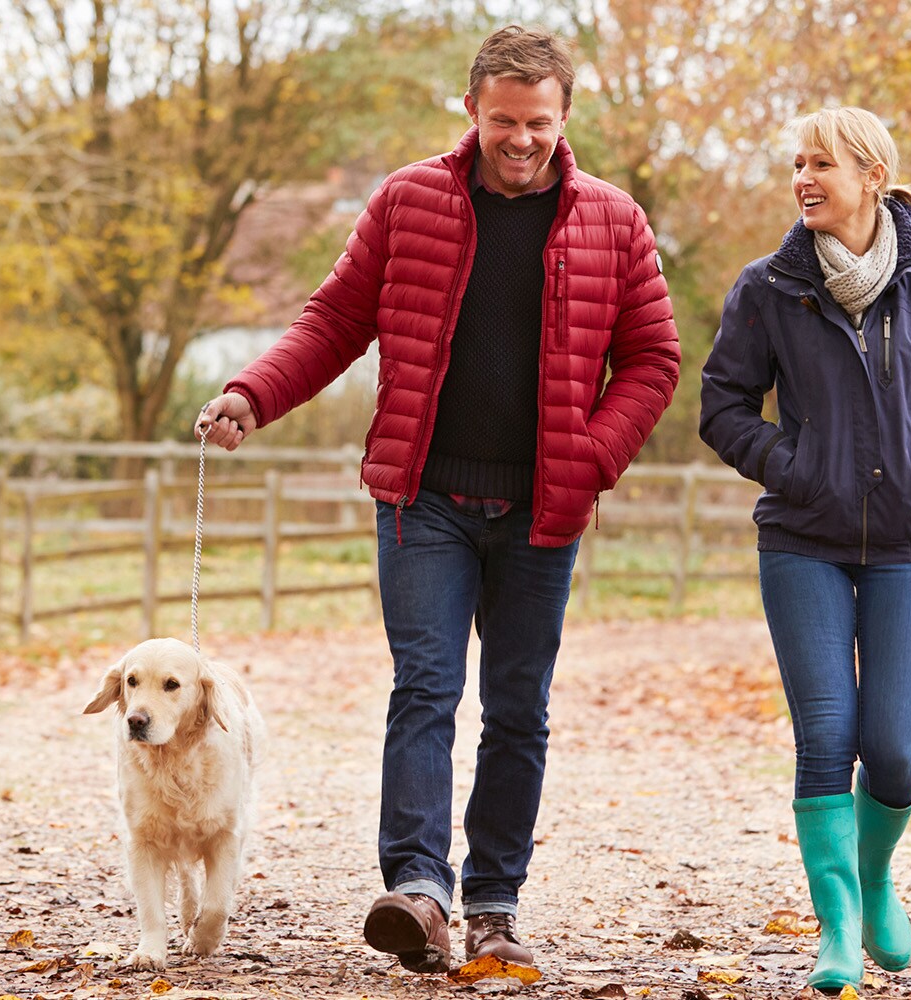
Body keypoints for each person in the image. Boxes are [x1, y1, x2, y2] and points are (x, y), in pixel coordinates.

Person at [194, 25, 680, 974]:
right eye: (504, 119)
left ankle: (495, 900)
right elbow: (334, 319)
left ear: (565, 117)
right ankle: (418, 890)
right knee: (426, 685)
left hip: (544, 509)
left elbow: (654, 359)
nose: (521, 138)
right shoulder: (408, 200)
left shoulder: (613, 220)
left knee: (517, 707)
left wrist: (593, 454)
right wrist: (252, 394)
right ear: (472, 109)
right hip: (424, 498)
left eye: (539, 122)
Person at [697, 107, 911, 993]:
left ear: (872, 176)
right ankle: (837, 924)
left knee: (895, 748)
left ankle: (876, 877)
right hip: (801, 540)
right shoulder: (767, 289)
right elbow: (722, 406)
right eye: (797, 164)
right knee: (826, 735)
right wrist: (788, 467)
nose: (804, 179)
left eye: (822, 165)